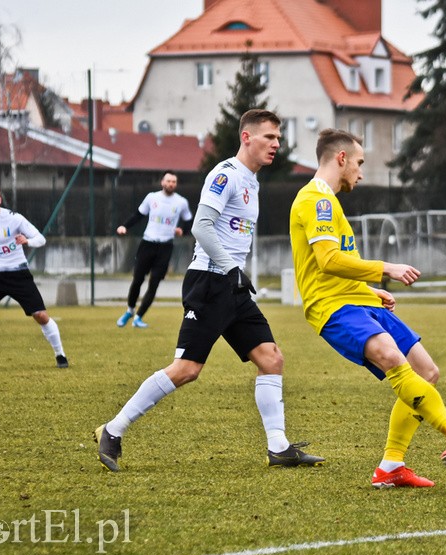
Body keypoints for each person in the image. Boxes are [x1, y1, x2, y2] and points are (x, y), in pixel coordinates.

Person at [95, 109, 323, 472]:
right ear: (246, 137)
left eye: (278, 138)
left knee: (271, 358)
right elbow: (201, 227)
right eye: (269, 137)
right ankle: (113, 429)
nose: (276, 144)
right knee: (186, 369)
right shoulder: (226, 174)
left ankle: (278, 447)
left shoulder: (252, 180)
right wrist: (232, 269)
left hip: (232, 285)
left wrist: (236, 273)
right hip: (210, 282)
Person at [289, 129, 446, 488]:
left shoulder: (329, 202)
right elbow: (327, 260)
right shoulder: (317, 200)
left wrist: (370, 290)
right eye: (359, 163)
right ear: (341, 159)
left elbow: (336, 265)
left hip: (358, 301)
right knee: (393, 358)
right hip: (333, 308)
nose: (360, 173)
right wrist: (385, 268)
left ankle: (391, 466)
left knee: (426, 370)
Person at [0, 182, 68, 370]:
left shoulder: (14, 219)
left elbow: (41, 238)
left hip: (19, 275)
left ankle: (60, 355)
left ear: (0, 199)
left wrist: (28, 240)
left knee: (40, 315)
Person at [115, 170, 193, 328]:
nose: (171, 184)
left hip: (165, 247)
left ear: (176, 184)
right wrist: (125, 226)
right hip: (148, 243)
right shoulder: (152, 198)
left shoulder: (181, 202)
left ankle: (138, 317)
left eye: (174, 182)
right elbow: (138, 215)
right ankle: (130, 310)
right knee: (138, 279)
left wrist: (182, 231)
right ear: (162, 182)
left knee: (154, 283)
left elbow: (189, 221)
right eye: (168, 181)